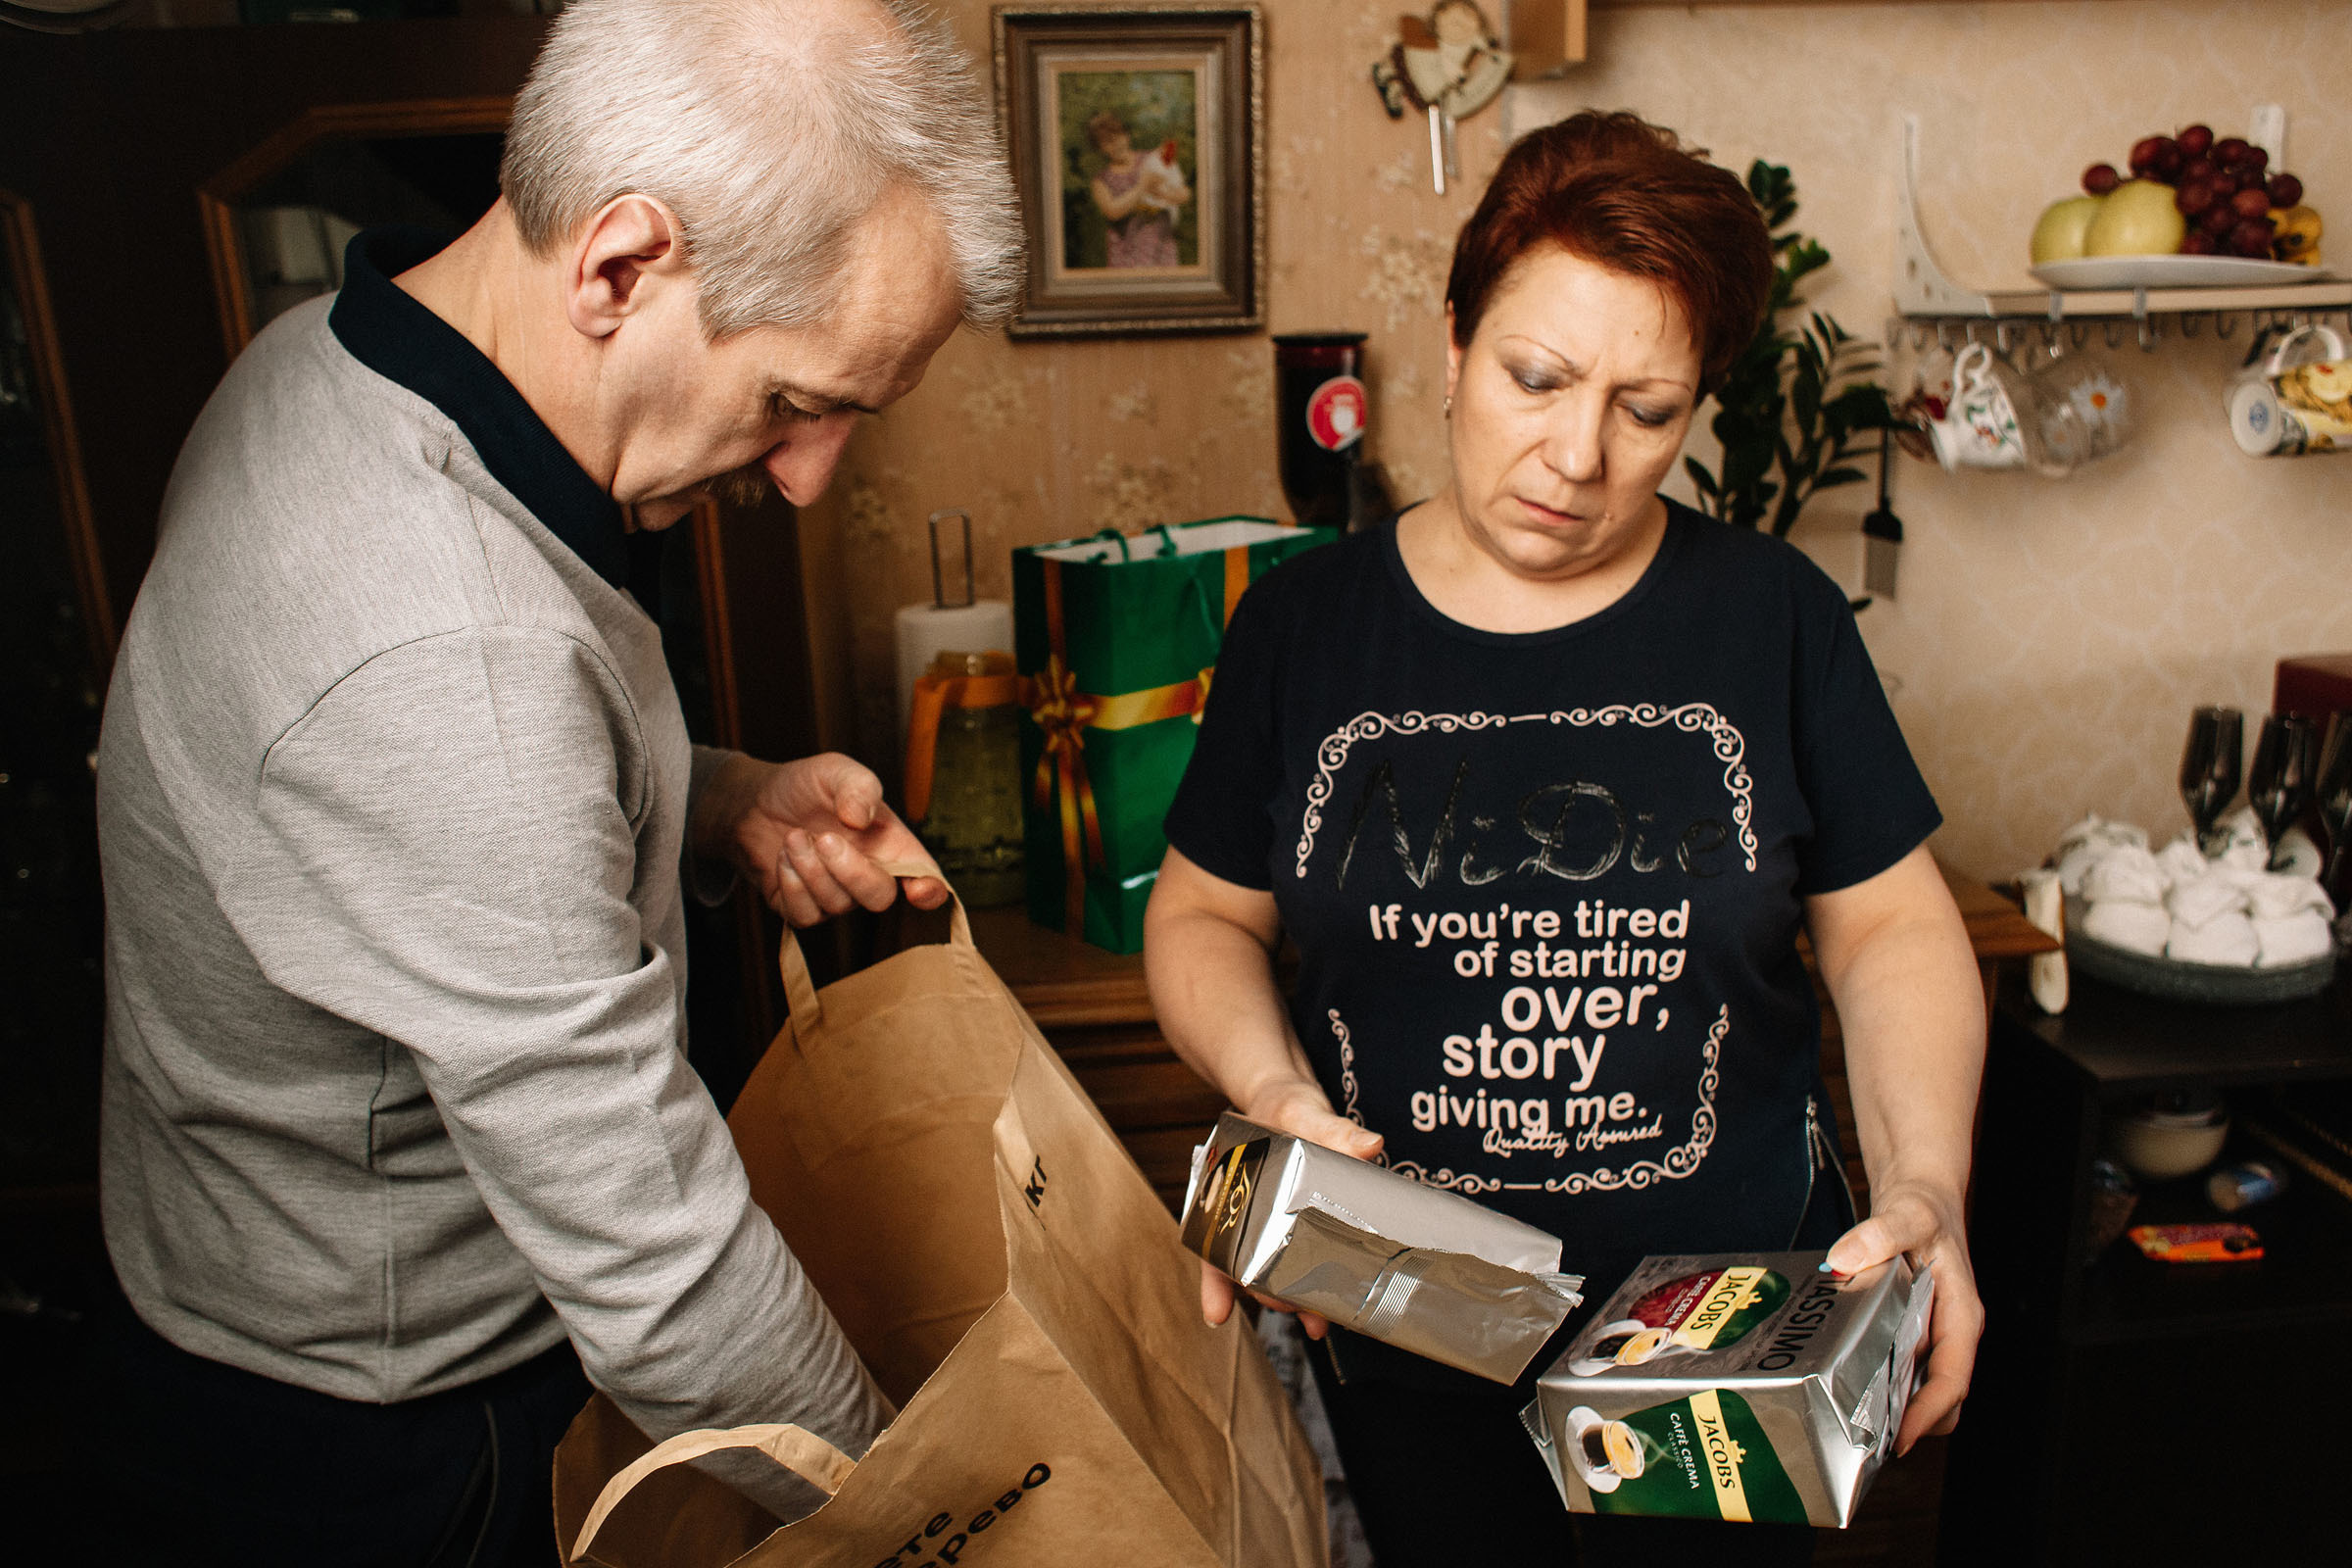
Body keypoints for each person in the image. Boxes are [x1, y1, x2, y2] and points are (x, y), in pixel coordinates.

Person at [92, 1, 1020, 1561]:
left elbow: (404, 810)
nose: (807, 478)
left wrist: (718, 795)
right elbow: (659, 1271)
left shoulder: (344, 352)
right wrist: (954, 1521)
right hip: (391, 1440)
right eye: (797, 402)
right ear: (618, 266)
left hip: (246, 1283)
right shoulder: (442, 651)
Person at [1146, 111, 1984, 1564]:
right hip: (1413, 1326)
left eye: (1647, 410)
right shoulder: (1304, 629)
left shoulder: (1770, 616)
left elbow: (1894, 926)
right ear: (1457, 336)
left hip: (1728, 1346)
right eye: (1537, 378)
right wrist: (1270, 1091)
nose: (1579, 454)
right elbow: (1207, 916)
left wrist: (1931, 1194)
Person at [1085, 109, 1188, 269]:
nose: (1115, 144)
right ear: (1100, 148)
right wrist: (1143, 186)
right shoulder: (1101, 180)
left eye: (1117, 136)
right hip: (1126, 252)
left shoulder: (1153, 159)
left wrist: (1162, 193)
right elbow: (1112, 212)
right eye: (1106, 142)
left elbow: (1183, 194)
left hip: (1161, 244)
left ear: (1126, 135)